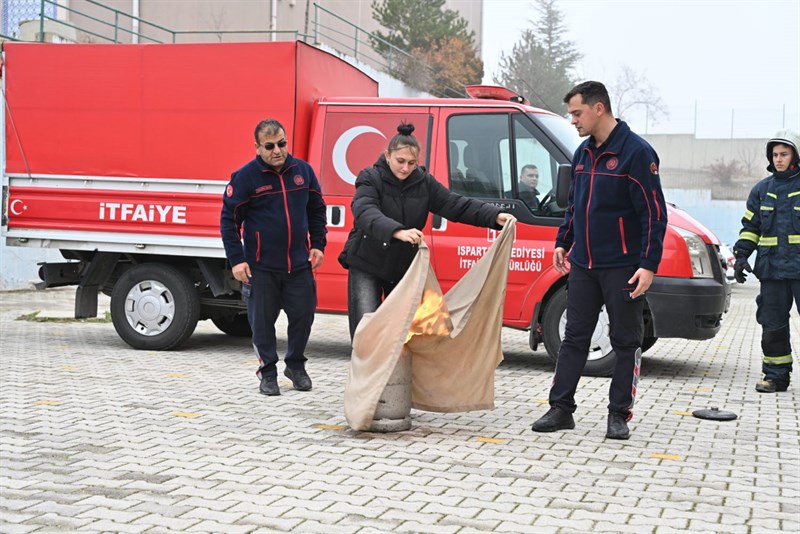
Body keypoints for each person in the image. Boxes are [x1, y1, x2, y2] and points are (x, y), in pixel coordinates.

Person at [530, 81, 668, 440]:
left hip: (622, 266)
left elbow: (654, 214)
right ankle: (561, 408)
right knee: (573, 337)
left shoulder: (637, 153)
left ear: (598, 109)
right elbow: (575, 205)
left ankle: (619, 414)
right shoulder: (583, 154)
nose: (573, 120)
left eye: (577, 113)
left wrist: (648, 264)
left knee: (625, 341)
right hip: (584, 266)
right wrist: (564, 241)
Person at [339, 123, 513, 340]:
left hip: (402, 268)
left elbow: (456, 204)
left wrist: (494, 216)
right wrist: (397, 231)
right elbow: (364, 211)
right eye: (400, 161)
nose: (405, 168)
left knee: (399, 335)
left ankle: (395, 374)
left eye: (412, 163)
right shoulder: (370, 178)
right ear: (387, 156)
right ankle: (364, 372)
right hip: (368, 262)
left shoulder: (424, 182)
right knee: (365, 333)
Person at [220, 118, 327, 396]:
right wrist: (237, 259)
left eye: (282, 143)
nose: (277, 150)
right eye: (269, 146)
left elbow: (316, 209)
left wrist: (318, 243)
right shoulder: (244, 178)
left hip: (299, 265)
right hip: (261, 268)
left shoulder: (303, 171)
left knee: (303, 318)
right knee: (262, 325)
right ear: (257, 147)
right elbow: (229, 221)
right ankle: (268, 373)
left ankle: (295, 365)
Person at [732, 137, 800, 393]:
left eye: (784, 154)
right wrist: (741, 256)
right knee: (772, 325)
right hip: (771, 271)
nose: (779, 159)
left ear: (795, 155)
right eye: (775, 155)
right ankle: (775, 376)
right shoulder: (762, 190)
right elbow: (751, 227)